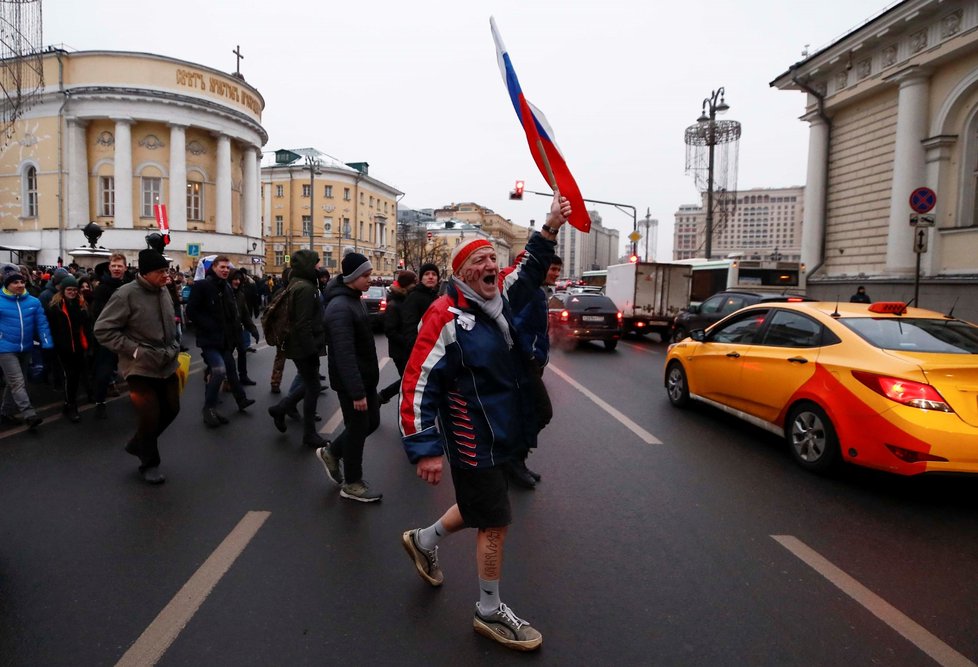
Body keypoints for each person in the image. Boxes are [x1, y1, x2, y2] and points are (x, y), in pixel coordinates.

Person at [398, 193, 571, 652]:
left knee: (481, 508)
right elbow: (417, 385)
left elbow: (529, 268)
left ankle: (422, 539)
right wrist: (426, 447)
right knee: (495, 521)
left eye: (493, 257)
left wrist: (550, 226)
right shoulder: (445, 317)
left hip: (504, 427)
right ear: (461, 272)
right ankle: (488, 610)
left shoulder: (500, 298)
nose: (491, 264)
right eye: (480, 260)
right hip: (473, 437)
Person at [94, 249, 181, 484]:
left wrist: (175, 344)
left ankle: (137, 444)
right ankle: (149, 463)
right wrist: (134, 350)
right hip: (139, 366)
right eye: (161, 271)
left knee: (172, 409)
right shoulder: (126, 295)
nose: (166, 276)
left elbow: (171, 321)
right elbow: (102, 329)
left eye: (166, 270)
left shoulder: (163, 290)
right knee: (149, 415)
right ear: (146, 273)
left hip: (167, 361)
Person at [314, 252, 382, 503]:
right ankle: (352, 483)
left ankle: (332, 452)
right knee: (357, 429)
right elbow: (343, 354)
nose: (370, 280)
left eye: (369, 274)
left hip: (363, 380)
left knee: (370, 422)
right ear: (352, 277)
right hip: (352, 383)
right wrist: (357, 392)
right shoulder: (340, 306)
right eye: (366, 275)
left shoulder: (353, 298)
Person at [497, 253, 563, 488]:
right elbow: (518, 326)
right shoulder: (531, 292)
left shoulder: (538, 291)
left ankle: (517, 461)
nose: (556, 273)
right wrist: (530, 356)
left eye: (558, 269)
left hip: (532, 362)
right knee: (542, 412)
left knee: (526, 413)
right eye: (552, 269)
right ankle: (512, 459)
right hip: (525, 364)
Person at [267, 249, 328, 448]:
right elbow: (302, 323)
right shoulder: (306, 288)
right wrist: (311, 350)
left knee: (311, 384)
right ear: (308, 266)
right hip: (303, 347)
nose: (319, 267)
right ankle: (309, 433)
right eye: (316, 263)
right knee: (313, 387)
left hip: (300, 345)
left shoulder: (298, 283)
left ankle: (281, 408)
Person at [186, 255, 255, 427]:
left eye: (227, 268)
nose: (225, 270)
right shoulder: (202, 286)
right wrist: (208, 325)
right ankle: (208, 408)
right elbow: (191, 311)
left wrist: (237, 336)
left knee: (230, 371)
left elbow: (232, 315)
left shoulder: (226, 288)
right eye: (221, 267)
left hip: (225, 339)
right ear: (214, 268)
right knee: (218, 370)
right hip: (209, 339)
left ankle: (237, 401)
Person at [0, 269, 53, 429]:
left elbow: (42, 323)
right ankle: (29, 414)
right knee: (17, 382)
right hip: (5, 348)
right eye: (15, 282)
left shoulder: (33, 302)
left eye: (22, 282)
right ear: (7, 285)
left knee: (14, 382)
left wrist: (46, 342)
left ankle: (5, 413)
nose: (20, 285)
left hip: (26, 347)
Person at [46, 275, 93, 423]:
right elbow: (51, 328)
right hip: (63, 348)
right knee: (70, 376)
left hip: (79, 347)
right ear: (63, 290)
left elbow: (86, 326)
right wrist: (53, 346)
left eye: (74, 290)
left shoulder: (81, 305)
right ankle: (72, 405)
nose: (72, 292)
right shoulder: (55, 307)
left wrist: (89, 344)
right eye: (69, 290)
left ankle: (68, 404)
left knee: (76, 376)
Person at [90, 254, 127, 418]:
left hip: (127, 334)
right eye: (114, 266)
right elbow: (97, 313)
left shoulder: (128, 285)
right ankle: (100, 400)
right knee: (104, 369)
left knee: (134, 367)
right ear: (109, 268)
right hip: (110, 335)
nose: (117, 269)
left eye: (120, 266)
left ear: (125, 267)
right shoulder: (102, 288)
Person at [378, 270, 416, 405]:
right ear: (408, 285)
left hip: (407, 350)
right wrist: (409, 341)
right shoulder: (394, 305)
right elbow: (390, 331)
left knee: (410, 381)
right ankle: (383, 396)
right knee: (409, 381)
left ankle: (384, 396)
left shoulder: (407, 300)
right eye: (414, 283)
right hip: (400, 352)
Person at [400, 262, 441, 352]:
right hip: (421, 349)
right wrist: (418, 349)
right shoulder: (413, 297)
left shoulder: (437, 297)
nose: (431, 277)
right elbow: (410, 327)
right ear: (421, 279)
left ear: (437, 279)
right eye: (426, 274)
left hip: (436, 348)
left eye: (434, 274)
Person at [230, 270, 259, 385]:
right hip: (226, 332)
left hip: (237, 330)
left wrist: (253, 330)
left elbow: (246, 316)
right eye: (234, 279)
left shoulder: (241, 295)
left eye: (239, 279)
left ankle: (243, 376)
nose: (237, 282)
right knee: (226, 358)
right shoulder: (224, 293)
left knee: (242, 352)